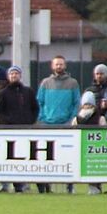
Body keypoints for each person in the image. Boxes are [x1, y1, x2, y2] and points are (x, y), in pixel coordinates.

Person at [36, 55, 80, 193]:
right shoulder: (45, 83)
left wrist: (70, 119)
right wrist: (43, 118)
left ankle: (69, 185)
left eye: (61, 64)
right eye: (57, 64)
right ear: (52, 66)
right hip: (47, 124)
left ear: (65, 66)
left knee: (66, 156)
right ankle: (46, 185)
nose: (59, 67)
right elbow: (39, 102)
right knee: (46, 157)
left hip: (65, 125)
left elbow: (76, 103)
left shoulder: (73, 83)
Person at [0, 65, 38, 193]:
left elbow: (35, 108)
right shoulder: (3, 93)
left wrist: (30, 121)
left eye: (16, 74)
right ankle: (5, 185)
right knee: (7, 159)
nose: (14, 76)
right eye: (12, 74)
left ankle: (21, 185)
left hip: (24, 131)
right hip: (9, 132)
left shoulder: (28, 92)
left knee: (23, 158)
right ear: (8, 76)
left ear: (20, 76)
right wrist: (8, 123)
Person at [71, 91, 107, 194]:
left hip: (79, 150)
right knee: (95, 168)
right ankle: (95, 187)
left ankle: (71, 188)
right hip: (94, 152)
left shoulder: (76, 119)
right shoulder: (100, 118)